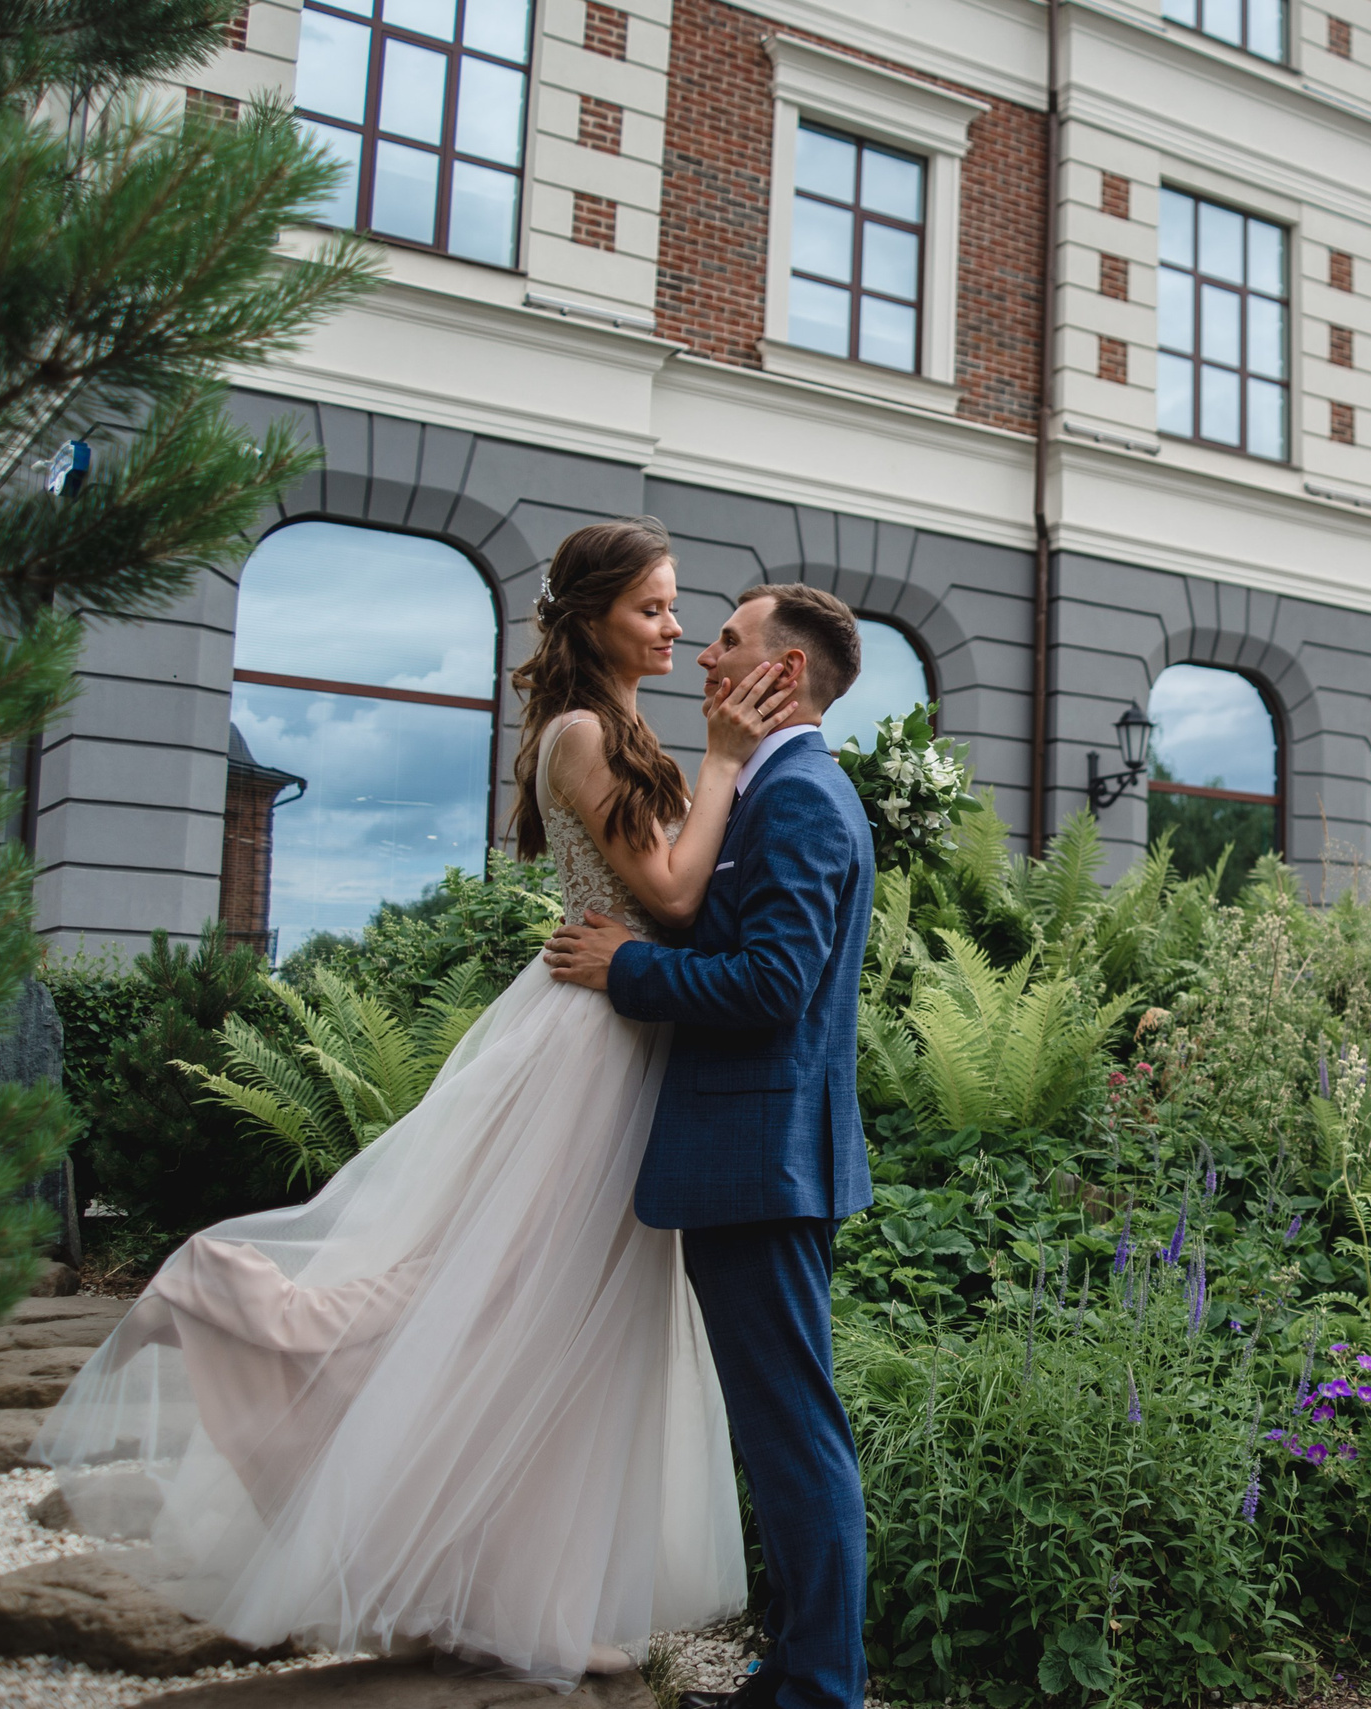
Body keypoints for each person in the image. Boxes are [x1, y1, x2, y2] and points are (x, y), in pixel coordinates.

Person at [35, 517, 799, 1690]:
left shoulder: (620, 721)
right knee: (508, 1307)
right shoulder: (588, 730)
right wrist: (727, 762)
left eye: (677, 605)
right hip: (590, 1053)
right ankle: (230, 1302)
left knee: (564, 1328)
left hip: (624, 1039)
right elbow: (673, 895)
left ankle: (512, 1588)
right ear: (594, 614)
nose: (675, 626)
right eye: (654, 606)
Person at [541, 581, 876, 1709]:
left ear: (780, 674)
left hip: (764, 1163)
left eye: (726, 641)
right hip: (751, 1160)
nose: (702, 655)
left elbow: (774, 984)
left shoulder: (803, 802)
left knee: (793, 1434)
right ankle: (790, 1671)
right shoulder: (771, 789)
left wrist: (625, 968)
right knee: (780, 1430)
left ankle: (815, 1689)